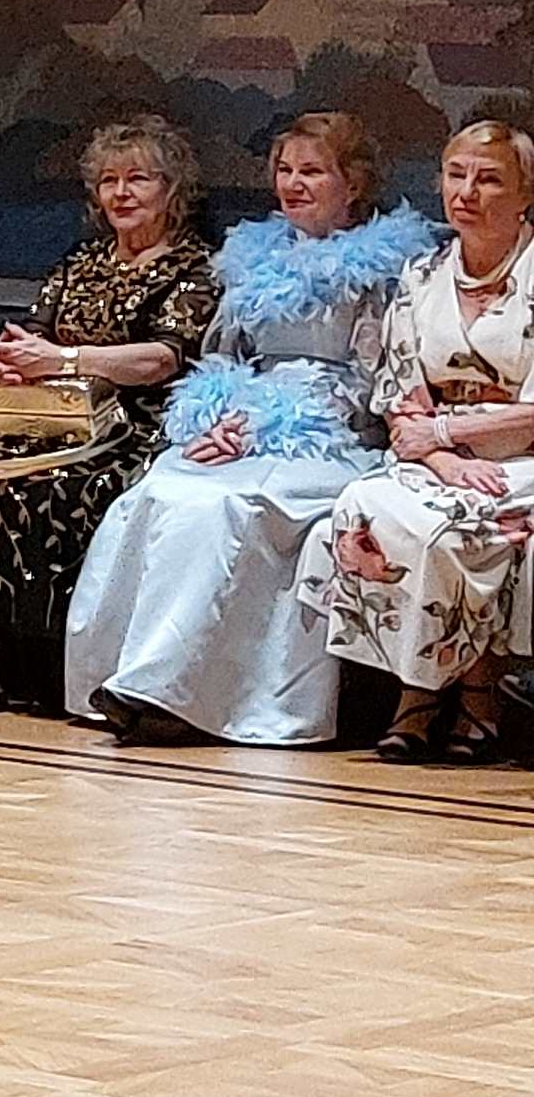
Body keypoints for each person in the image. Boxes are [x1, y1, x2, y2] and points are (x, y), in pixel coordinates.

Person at [66, 112, 427, 748]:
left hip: (334, 438)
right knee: (164, 489)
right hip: (246, 421)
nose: (293, 183)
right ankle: (129, 678)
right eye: (284, 170)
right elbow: (221, 357)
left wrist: (272, 419)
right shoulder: (253, 256)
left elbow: (375, 383)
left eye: (312, 171)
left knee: (228, 506)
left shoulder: (386, 269)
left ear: (352, 183)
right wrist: (215, 417)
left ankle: (171, 690)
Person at [0, 119, 221, 712]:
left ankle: (51, 662)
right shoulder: (82, 260)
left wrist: (63, 360)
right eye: (110, 181)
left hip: (136, 424)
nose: (121, 193)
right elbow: (36, 331)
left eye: (138, 179)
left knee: (61, 487)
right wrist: (12, 359)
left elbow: (163, 359)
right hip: (50, 418)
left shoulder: (195, 266)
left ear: (172, 190)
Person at [300, 119, 534, 762]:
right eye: (456, 176)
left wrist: (448, 432)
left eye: (489, 180)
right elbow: (400, 399)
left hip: (522, 458)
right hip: (438, 458)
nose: (467, 193)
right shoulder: (422, 273)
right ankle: (427, 691)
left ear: (525, 194)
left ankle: (458, 699)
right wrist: (440, 457)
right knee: (366, 506)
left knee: (465, 527)